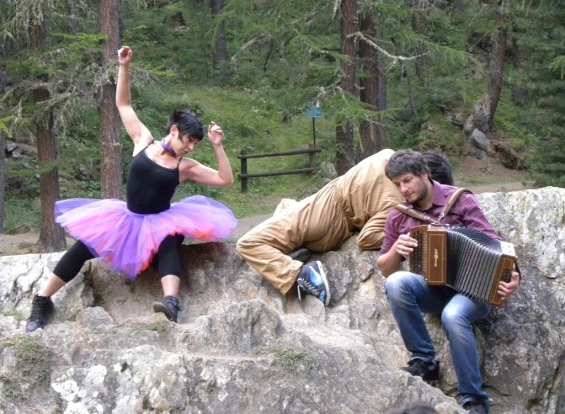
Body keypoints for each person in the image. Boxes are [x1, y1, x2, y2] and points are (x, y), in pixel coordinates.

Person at [26, 45, 237, 331]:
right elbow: (124, 105)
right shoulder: (144, 140)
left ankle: (171, 302)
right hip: (125, 219)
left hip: (161, 221)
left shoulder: (185, 166)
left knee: (167, 242)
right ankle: (41, 300)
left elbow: (225, 179)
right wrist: (124, 67)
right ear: (174, 130)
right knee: (83, 247)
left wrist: (218, 146)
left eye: (195, 144)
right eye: (189, 140)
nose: (190, 147)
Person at [376, 149, 520, 414]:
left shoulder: (460, 200)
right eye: (397, 184)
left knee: (453, 316)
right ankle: (424, 361)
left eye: (407, 180)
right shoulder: (399, 215)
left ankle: (474, 400)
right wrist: (396, 249)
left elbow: (495, 245)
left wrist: (512, 277)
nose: (403, 189)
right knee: (396, 282)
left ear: (424, 174)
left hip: (473, 290)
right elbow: (385, 269)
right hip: (431, 290)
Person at [236, 148, 454, 307]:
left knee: (257, 236)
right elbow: (368, 238)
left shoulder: (390, 158)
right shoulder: (397, 201)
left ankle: (298, 263)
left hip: (328, 216)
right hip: (324, 212)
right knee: (256, 236)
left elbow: (366, 236)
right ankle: (300, 269)